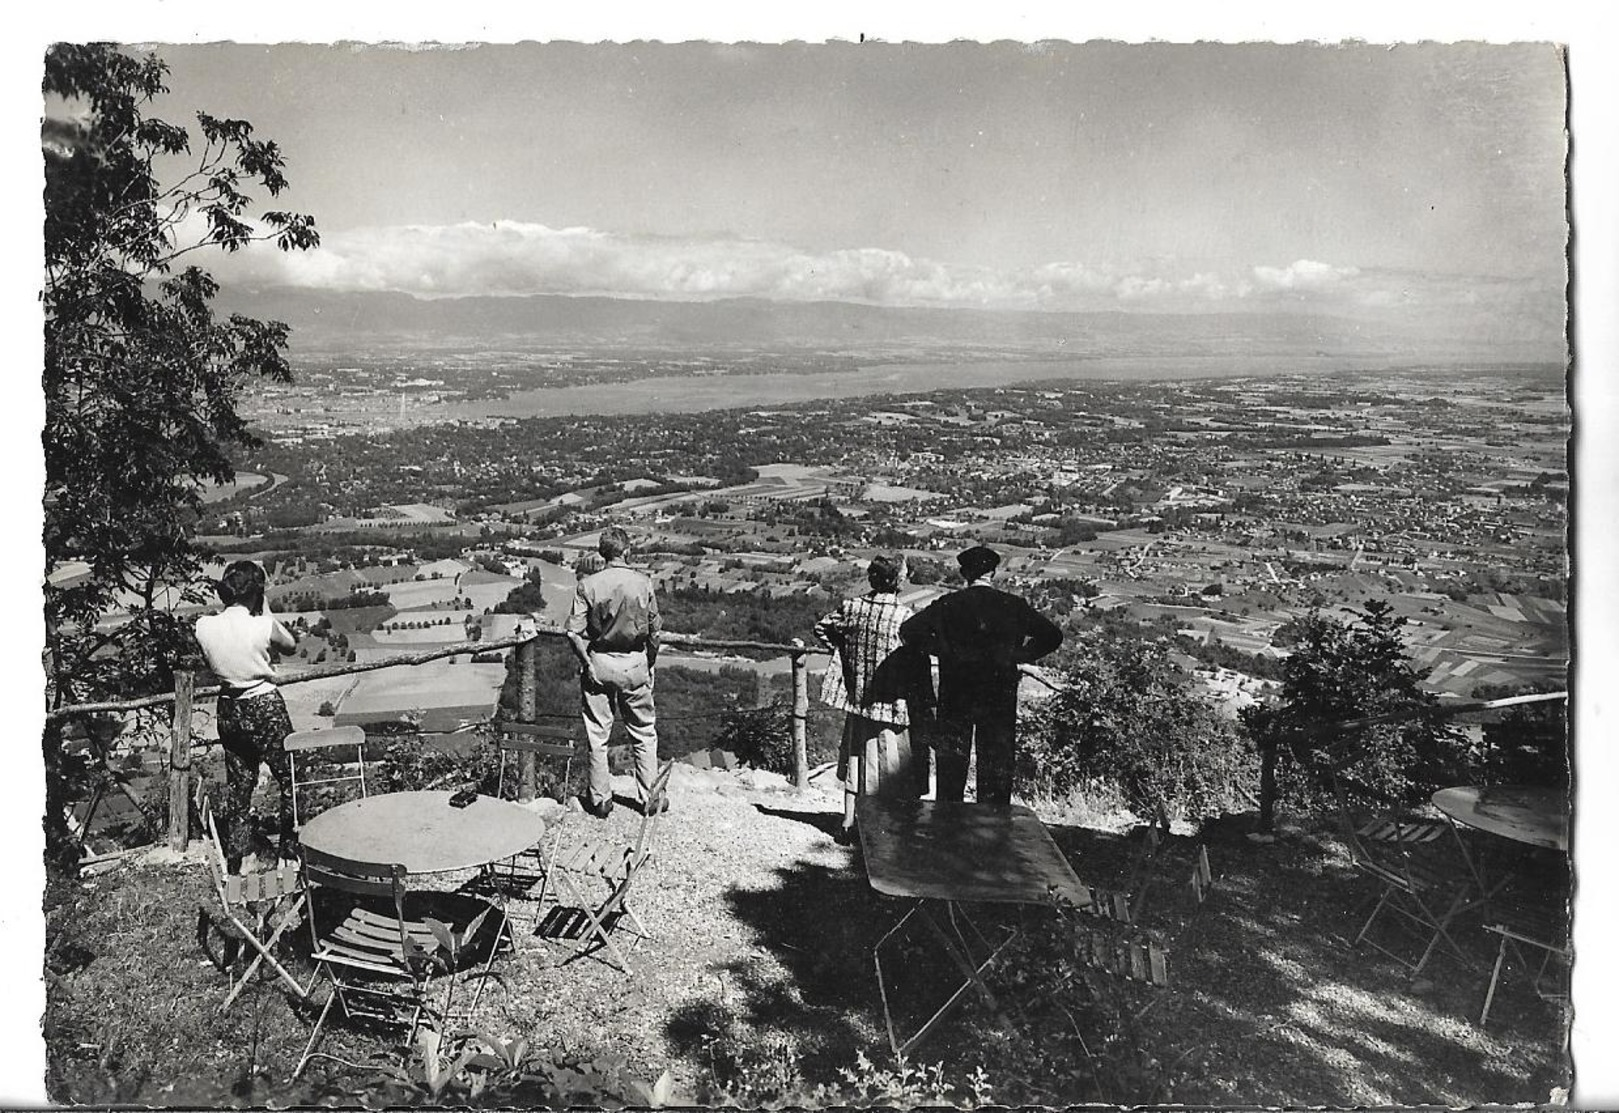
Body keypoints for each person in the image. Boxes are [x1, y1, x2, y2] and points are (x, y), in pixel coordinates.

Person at [898, 545, 1063, 807]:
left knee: (952, 760)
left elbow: (908, 631)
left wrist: (942, 651)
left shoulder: (948, 605)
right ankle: (993, 827)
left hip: (956, 692)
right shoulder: (1013, 605)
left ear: (965, 573)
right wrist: (1018, 656)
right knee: (996, 760)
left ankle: (948, 823)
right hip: (999, 692)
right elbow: (1053, 635)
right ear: (993, 572)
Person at [193, 560, 299, 871]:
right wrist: (265, 610)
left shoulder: (203, 626)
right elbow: (290, 645)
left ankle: (240, 856)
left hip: (228, 707)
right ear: (256, 592)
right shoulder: (261, 625)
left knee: (240, 784)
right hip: (263, 705)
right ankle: (289, 853)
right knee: (290, 776)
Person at [813, 554, 924, 845]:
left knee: (856, 758)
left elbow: (822, 628)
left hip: (859, 699)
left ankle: (849, 821)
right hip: (893, 702)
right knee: (892, 765)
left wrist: (846, 655)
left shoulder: (852, 607)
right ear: (898, 580)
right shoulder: (906, 617)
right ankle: (887, 826)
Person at [564, 526, 664, 818]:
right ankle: (650, 798)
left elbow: (572, 632)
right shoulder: (643, 583)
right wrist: (650, 662)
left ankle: (601, 800)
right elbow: (655, 633)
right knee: (644, 733)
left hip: (600, 664)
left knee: (597, 736)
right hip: (635, 663)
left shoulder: (588, 585)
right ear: (627, 551)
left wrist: (586, 662)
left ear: (601, 553)